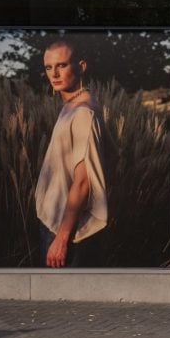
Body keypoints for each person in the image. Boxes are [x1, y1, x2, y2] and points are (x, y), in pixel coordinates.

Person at [35, 39, 108, 267]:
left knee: (60, 298)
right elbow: (115, 156)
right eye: (49, 67)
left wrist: (61, 239)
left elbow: (83, 182)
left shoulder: (83, 113)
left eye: (62, 65)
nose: (54, 73)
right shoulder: (72, 107)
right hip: (55, 222)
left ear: (81, 66)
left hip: (67, 231)